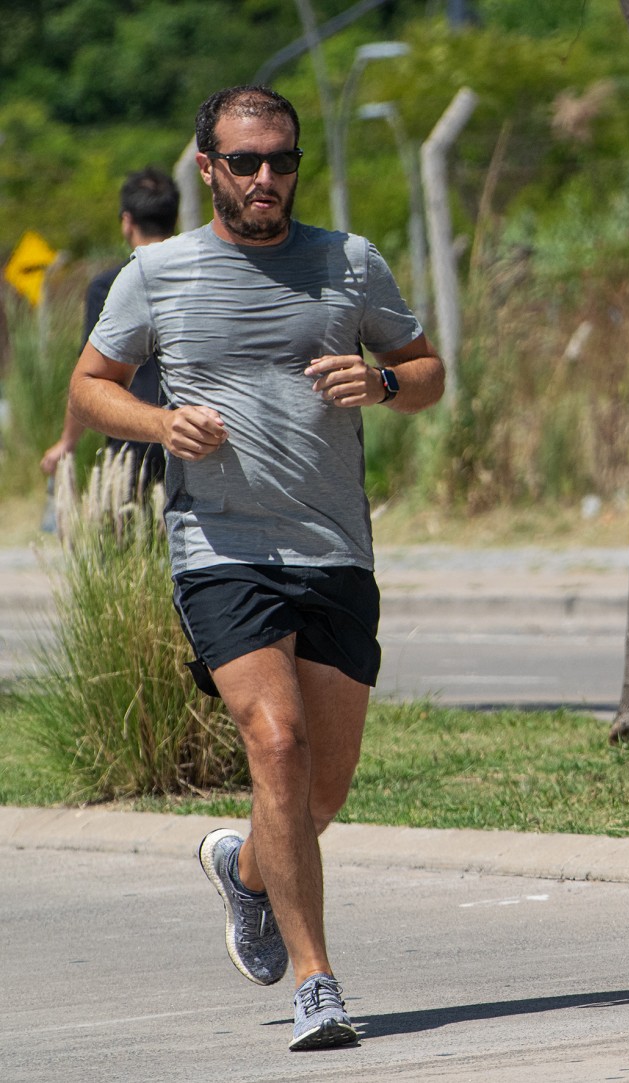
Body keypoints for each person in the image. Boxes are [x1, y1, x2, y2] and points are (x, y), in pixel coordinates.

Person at [68, 85, 445, 1052]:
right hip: (220, 548)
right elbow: (89, 387)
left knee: (322, 788)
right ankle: (318, 981)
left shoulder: (348, 262)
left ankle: (246, 871)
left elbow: (428, 369)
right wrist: (162, 424)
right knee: (276, 744)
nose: (266, 177)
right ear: (208, 170)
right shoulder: (158, 275)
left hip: (334, 550)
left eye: (282, 160)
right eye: (246, 162)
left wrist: (387, 380)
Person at [41, 166, 180, 491]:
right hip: (190, 434)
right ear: (174, 218)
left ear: (127, 221)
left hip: (130, 433)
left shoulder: (110, 285)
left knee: (132, 536)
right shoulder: (199, 279)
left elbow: (91, 375)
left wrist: (68, 442)